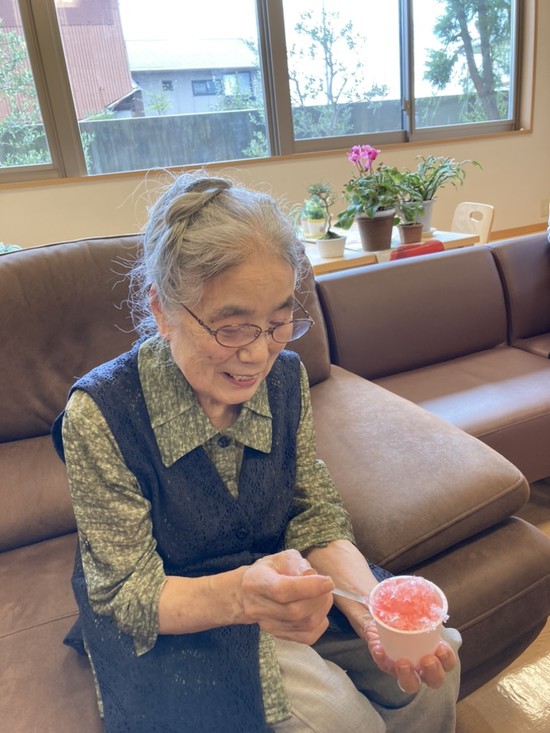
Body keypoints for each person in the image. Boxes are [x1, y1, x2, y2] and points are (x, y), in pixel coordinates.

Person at [52, 171, 461, 733]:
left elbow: (312, 509)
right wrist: (242, 596)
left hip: (278, 585)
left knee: (429, 667)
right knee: (340, 719)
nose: (258, 355)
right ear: (163, 310)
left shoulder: (285, 379)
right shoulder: (102, 414)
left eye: (277, 323)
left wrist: (372, 607)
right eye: (232, 328)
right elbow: (125, 593)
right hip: (178, 618)